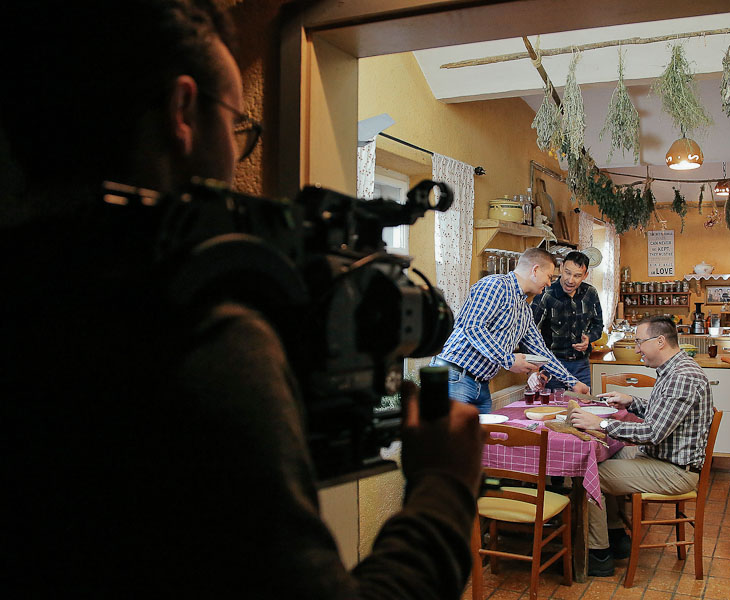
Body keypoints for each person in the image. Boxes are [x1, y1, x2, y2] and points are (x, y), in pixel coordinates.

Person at [0, 1, 484, 596]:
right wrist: (444, 485)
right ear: (182, 111)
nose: (238, 155)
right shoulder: (199, 333)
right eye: (236, 127)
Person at [568, 316, 714, 577]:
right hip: (663, 457)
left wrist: (600, 424)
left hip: (675, 470)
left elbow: (653, 432)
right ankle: (616, 536)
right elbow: (665, 414)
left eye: (639, 342)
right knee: (606, 455)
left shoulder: (682, 376)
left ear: (660, 341)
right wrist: (631, 402)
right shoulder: (676, 369)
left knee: (590, 475)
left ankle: (599, 555)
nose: (636, 349)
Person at [432, 247, 591, 414]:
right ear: (535, 270)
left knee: (482, 432)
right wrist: (508, 360)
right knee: (450, 432)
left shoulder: (524, 309)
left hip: (481, 385)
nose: (549, 283)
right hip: (455, 377)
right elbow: (472, 327)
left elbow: (540, 351)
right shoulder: (494, 285)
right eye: (549, 276)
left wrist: (573, 383)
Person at [530, 250, 604, 390]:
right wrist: (534, 368)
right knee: (555, 403)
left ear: (585, 275)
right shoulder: (546, 293)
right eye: (567, 273)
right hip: (553, 365)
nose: (570, 280)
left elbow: (598, 326)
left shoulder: (590, 293)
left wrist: (589, 338)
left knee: (583, 402)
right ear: (561, 268)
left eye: (577, 276)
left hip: (581, 365)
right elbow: (530, 332)